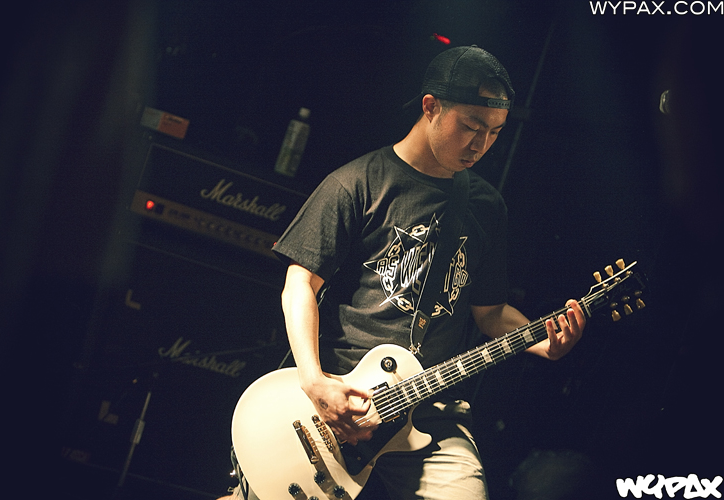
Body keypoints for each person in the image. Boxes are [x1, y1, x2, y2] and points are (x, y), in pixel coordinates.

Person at [227, 44, 585, 500]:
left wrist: (542, 340)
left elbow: (491, 313)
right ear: (431, 107)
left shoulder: (486, 207)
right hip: (340, 395)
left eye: (494, 132)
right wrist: (314, 381)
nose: (481, 145)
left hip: (430, 407)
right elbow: (300, 283)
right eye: (471, 126)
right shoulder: (357, 182)